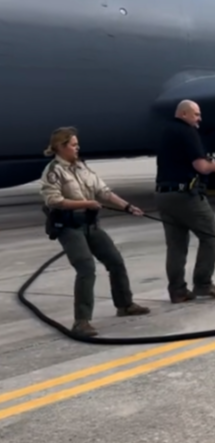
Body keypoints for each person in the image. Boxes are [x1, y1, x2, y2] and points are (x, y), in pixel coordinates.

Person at [39, 127, 150, 337]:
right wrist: (86, 203)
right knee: (86, 268)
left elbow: (103, 192)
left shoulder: (82, 167)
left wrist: (127, 206)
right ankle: (81, 321)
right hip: (69, 226)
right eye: (73, 145)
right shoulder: (53, 172)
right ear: (61, 147)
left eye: (77, 144)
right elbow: (53, 200)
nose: (77, 148)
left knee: (115, 261)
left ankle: (125, 304)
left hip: (90, 224)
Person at [154, 99, 215, 303]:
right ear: (184, 114)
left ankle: (177, 290)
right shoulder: (187, 132)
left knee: (176, 245)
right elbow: (201, 166)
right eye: (196, 114)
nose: (199, 119)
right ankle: (203, 284)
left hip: (163, 195)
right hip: (184, 196)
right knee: (210, 236)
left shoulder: (166, 131)